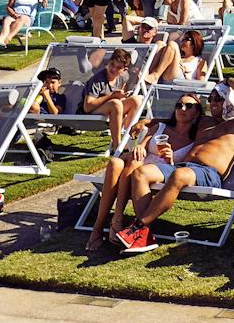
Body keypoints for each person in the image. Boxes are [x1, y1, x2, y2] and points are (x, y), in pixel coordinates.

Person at [98, 78, 234, 251]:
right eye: (210, 99)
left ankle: (137, 227)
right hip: (182, 166)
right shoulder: (204, 122)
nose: (212, 103)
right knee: (140, 173)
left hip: (208, 173)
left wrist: (227, 80)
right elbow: (176, 119)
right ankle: (143, 236)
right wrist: (146, 122)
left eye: (218, 98)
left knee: (179, 175)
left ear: (230, 100)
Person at [85, 91, 204, 250]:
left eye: (188, 106)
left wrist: (171, 160)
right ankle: (104, 224)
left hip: (158, 173)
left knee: (131, 164)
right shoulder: (160, 127)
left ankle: (110, 223)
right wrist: (139, 147)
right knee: (115, 163)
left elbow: (183, 168)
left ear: (197, 113)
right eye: (178, 105)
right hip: (137, 165)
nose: (182, 109)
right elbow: (143, 144)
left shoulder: (194, 140)